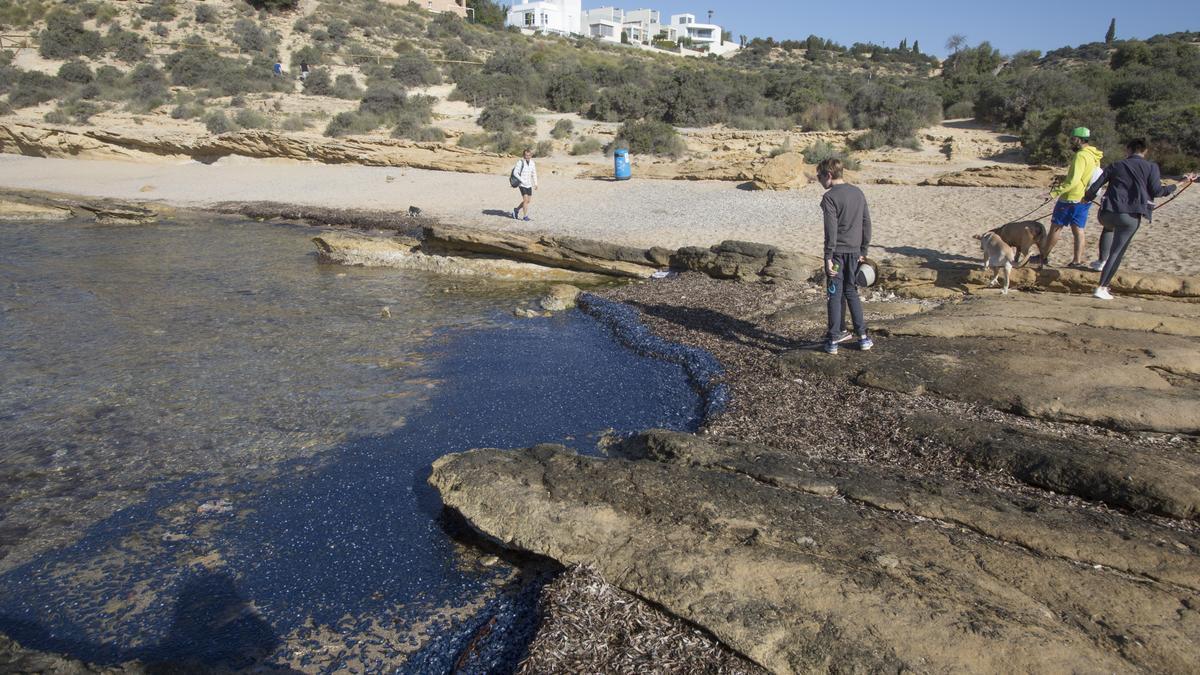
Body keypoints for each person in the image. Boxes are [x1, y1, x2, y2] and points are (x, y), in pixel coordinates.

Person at [1083, 139, 1197, 300]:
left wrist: (1085, 198)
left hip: (1106, 214)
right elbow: (1158, 192)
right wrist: (1180, 184)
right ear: (1145, 151)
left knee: (1109, 228)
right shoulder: (1151, 167)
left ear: (1128, 150)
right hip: (1130, 216)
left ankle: (1101, 260)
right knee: (1117, 252)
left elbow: (1094, 188)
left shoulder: (1115, 165)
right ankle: (1101, 288)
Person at [817, 158, 872, 355]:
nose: (818, 180)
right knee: (851, 292)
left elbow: (830, 231)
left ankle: (833, 340)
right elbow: (866, 223)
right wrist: (863, 251)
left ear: (828, 175)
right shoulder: (858, 193)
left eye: (819, 176)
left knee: (834, 292)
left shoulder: (829, 198)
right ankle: (863, 337)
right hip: (855, 253)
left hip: (838, 255)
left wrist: (828, 257)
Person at [1043, 126, 1103, 268]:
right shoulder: (1094, 155)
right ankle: (1077, 261)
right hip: (1085, 198)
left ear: (1079, 139)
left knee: (1056, 227)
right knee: (1078, 230)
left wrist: (1053, 193)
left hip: (1071, 197)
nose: (1071, 142)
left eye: (1073, 139)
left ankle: (1043, 257)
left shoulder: (1081, 155)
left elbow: (1073, 181)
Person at [511, 148, 538, 222]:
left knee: (528, 201)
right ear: (523, 155)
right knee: (525, 200)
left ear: (531, 155)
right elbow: (515, 173)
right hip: (522, 184)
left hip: (529, 184)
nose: (527, 156)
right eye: (526, 155)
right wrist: (522, 181)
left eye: (529, 155)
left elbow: (534, 173)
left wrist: (536, 183)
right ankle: (525, 216)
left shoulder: (532, 163)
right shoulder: (520, 162)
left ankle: (516, 210)